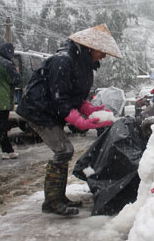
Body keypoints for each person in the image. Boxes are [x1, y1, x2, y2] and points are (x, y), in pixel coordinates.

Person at [16, 24, 122, 216]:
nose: (104, 56)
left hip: (51, 110)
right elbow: (59, 98)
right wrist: (80, 121)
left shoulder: (84, 65)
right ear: (90, 46)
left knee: (64, 151)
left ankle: (58, 197)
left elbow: (75, 96)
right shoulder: (63, 61)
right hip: (38, 110)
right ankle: (52, 202)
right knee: (64, 150)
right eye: (102, 51)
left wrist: (89, 108)